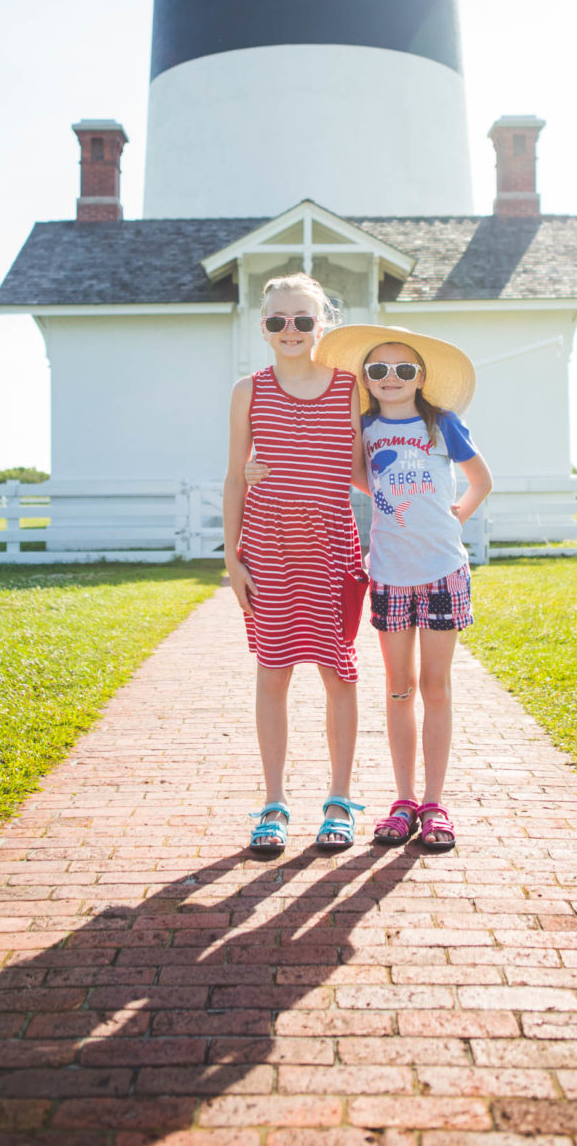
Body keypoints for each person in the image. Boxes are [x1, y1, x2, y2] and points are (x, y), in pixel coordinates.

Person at [311, 324, 492, 851]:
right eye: (378, 370)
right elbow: (356, 476)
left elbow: (481, 479)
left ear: (420, 378)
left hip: (442, 571)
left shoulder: (443, 424)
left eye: (404, 370)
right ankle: (404, 800)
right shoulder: (363, 427)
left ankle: (435, 804)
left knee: (435, 688)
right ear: (366, 379)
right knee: (399, 688)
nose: (391, 378)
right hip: (389, 573)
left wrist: (456, 513)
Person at [223, 273, 368, 855]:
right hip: (268, 546)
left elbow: (364, 469)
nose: (291, 330)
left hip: (333, 545)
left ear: (321, 325)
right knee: (273, 671)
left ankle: (339, 800)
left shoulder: (350, 388)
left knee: (338, 672)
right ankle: (274, 802)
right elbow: (235, 477)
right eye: (278, 320)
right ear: (263, 327)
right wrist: (232, 557)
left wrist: (420, 486)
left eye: (303, 320)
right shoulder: (248, 391)